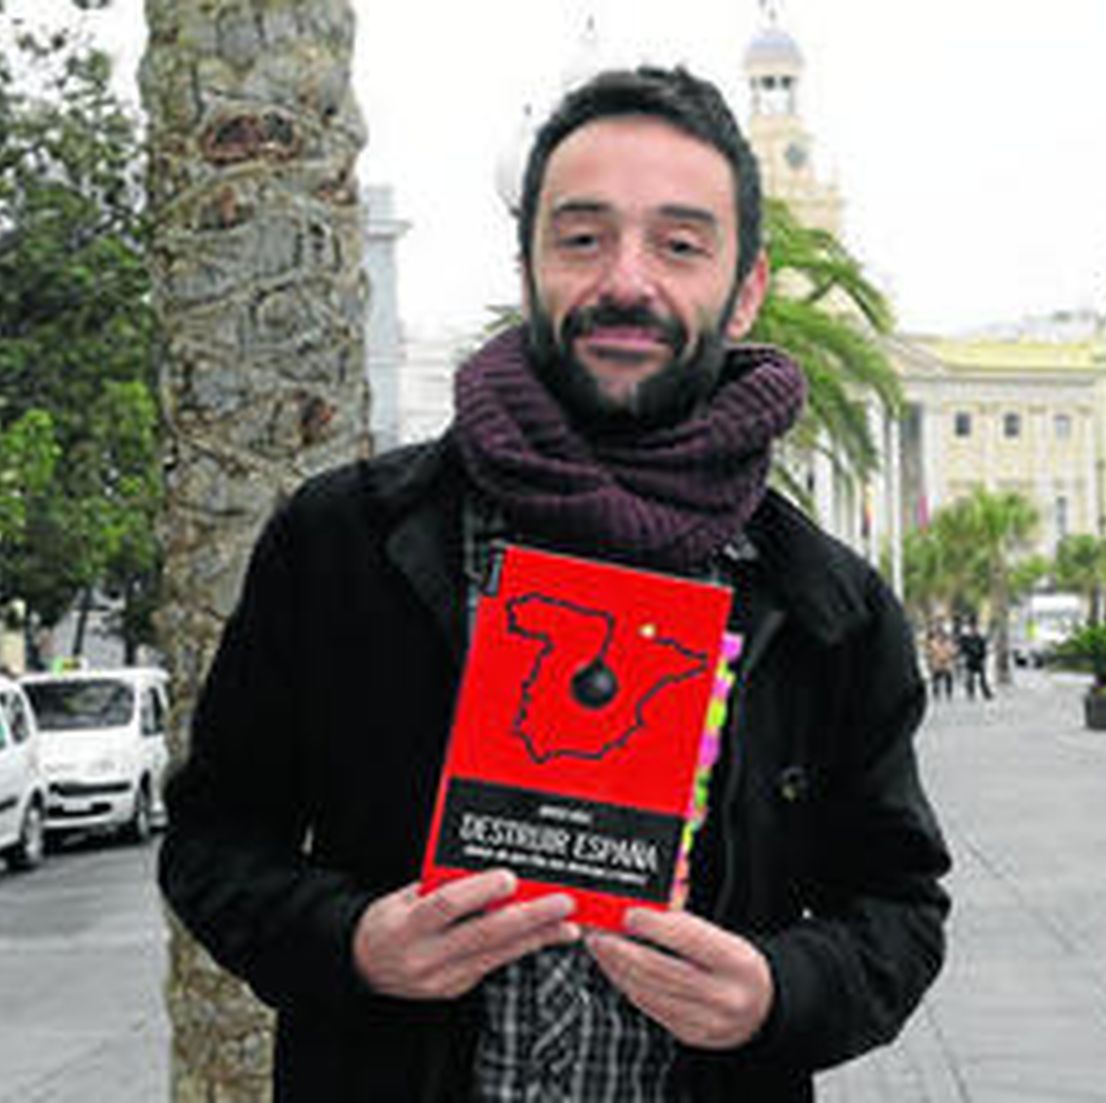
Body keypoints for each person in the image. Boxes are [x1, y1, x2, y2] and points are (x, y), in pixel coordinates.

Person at [159, 66, 951, 1101]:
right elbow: (215, 840)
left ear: (746, 288)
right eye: (582, 238)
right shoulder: (344, 541)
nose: (627, 280)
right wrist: (354, 942)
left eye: (679, 243)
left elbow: (896, 904)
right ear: (529, 266)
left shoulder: (822, 603)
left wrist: (776, 990)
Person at [958, 619, 992, 700]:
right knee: (969, 679)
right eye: (972, 628)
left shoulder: (980, 638)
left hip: (978, 661)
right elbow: (962, 649)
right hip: (969, 661)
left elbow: (984, 650)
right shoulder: (965, 638)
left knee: (982, 680)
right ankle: (970, 693)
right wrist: (962, 656)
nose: (973, 630)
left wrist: (983, 657)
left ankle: (986, 694)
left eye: (975, 628)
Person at [926, 625, 957, 701]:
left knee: (949, 678)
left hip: (946, 663)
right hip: (937, 663)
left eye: (941, 635)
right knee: (935, 679)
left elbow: (953, 652)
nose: (940, 637)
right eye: (938, 635)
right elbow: (929, 653)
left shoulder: (948, 643)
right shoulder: (933, 643)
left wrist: (952, 655)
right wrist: (929, 662)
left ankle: (948, 693)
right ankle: (936, 693)